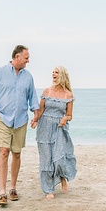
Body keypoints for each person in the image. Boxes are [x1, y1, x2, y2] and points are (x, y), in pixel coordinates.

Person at [0, 45, 40, 206]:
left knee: (16, 153)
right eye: (26, 58)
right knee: (4, 152)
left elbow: (33, 97)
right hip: (2, 119)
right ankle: (2, 192)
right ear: (17, 57)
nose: (28, 61)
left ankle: (13, 188)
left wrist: (36, 114)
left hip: (21, 120)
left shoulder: (28, 77)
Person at [30, 66, 77, 199]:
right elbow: (40, 110)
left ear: (62, 75)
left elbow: (70, 115)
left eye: (56, 72)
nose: (53, 74)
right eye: (53, 72)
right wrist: (35, 119)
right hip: (44, 127)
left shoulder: (68, 95)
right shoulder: (47, 91)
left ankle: (62, 178)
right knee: (46, 159)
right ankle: (48, 189)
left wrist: (64, 119)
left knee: (59, 157)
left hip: (59, 128)